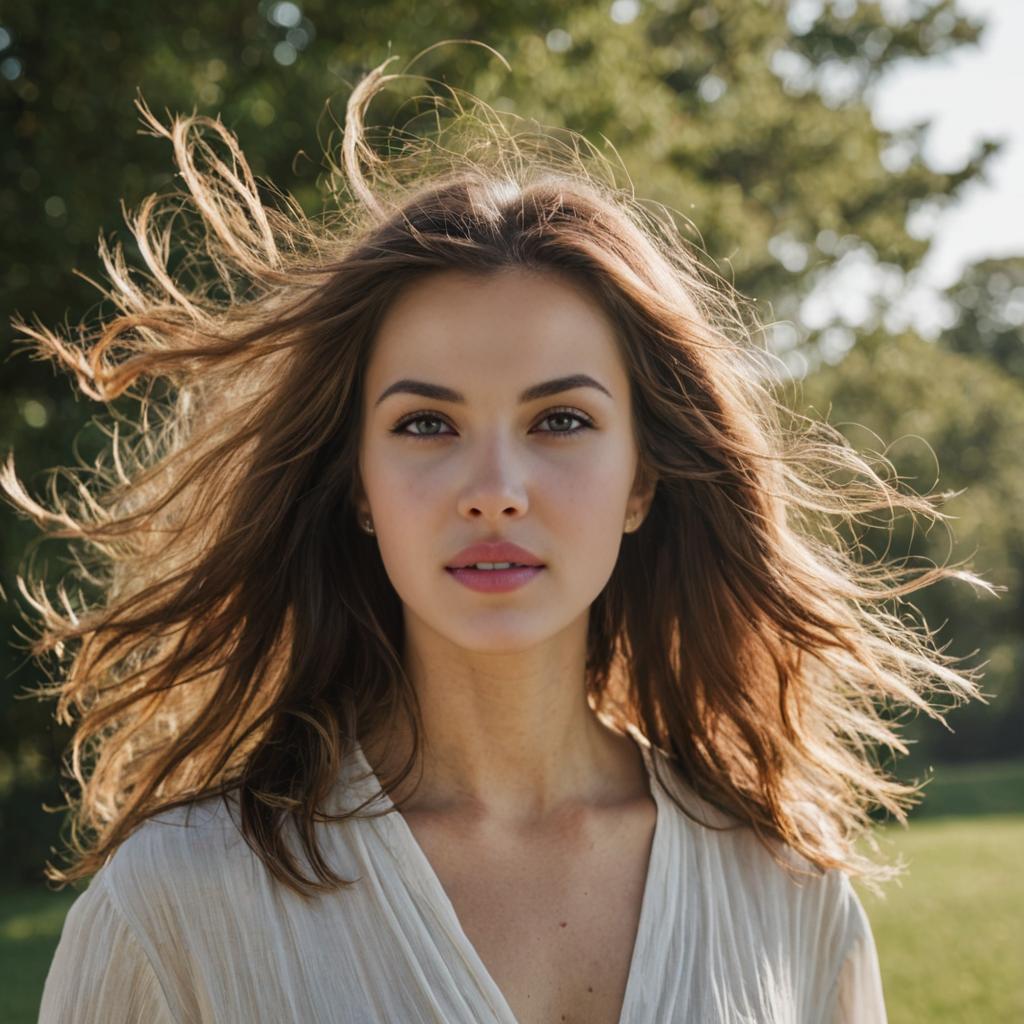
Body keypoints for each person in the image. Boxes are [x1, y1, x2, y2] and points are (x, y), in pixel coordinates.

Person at [9, 49, 990, 1024]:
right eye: (425, 424)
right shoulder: (176, 904)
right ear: (357, 484)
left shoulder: (786, 890)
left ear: (642, 477)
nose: (494, 491)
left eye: (559, 420)